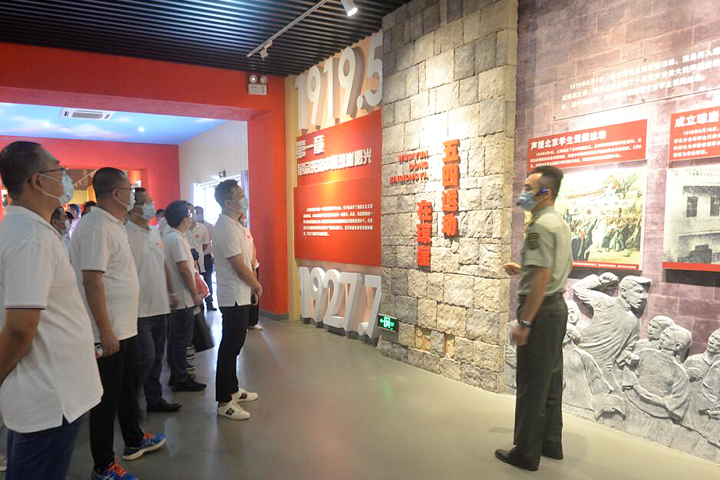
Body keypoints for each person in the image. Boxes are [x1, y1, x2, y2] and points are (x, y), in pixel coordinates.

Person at [0, 141, 103, 480]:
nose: (65, 176)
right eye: (59, 169)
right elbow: (20, 328)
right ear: (38, 181)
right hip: (49, 394)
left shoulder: (29, 229)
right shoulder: (31, 237)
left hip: (49, 390)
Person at [71, 167, 165, 480]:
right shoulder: (97, 226)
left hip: (125, 327)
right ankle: (103, 464)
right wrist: (105, 331)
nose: (133, 196)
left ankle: (134, 438)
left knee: (127, 389)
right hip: (108, 330)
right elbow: (92, 281)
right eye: (129, 190)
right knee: (106, 400)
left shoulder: (114, 224)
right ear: (116, 193)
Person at [497, 165, 572, 472]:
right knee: (551, 380)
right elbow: (550, 268)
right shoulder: (559, 222)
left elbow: (542, 277)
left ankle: (526, 453)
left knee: (531, 383)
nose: (523, 193)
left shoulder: (540, 226)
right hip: (556, 308)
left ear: (545, 193)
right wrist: (523, 269)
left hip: (540, 312)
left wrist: (525, 322)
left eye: (529, 188)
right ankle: (550, 443)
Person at [126, 188, 182, 413]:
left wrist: (172, 292)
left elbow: (163, 264)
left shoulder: (154, 231)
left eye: (151, 201)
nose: (150, 206)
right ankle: (130, 402)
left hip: (160, 306)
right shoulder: (125, 233)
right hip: (139, 309)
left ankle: (154, 399)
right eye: (145, 202)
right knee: (145, 357)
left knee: (158, 357)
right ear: (133, 206)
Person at [213, 180, 262, 420]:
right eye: (239, 194)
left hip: (241, 294)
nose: (244, 198)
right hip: (232, 296)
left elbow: (248, 259)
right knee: (229, 347)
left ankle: (233, 389)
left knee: (236, 344)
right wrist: (256, 284)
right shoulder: (225, 226)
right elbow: (238, 264)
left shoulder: (236, 225)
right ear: (228, 202)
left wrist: (251, 285)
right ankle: (224, 401)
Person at [621, 325, 692, 446]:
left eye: (667, 336)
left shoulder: (680, 372)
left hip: (656, 417)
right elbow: (629, 368)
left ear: (677, 346)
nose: (662, 337)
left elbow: (679, 398)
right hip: (632, 405)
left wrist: (659, 400)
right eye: (663, 333)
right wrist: (637, 387)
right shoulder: (644, 354)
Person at [162, 201, 206, 392]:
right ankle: (181, 377)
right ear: (183, 219)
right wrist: (194, 294)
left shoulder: (171, 236)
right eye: (189, 214)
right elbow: (183, 269)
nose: (191, 217)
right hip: (183, 296)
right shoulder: (176, 239)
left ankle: (176, 373)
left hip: (179, 297)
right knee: (181, 339)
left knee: (175, 338)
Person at [240, 211, 262, 331]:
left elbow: (253, 247)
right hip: (245, 267)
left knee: (255, 293)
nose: (245, 219)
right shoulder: (236, 233)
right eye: (243, 216)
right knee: (246, 294)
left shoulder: (247, 230)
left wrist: (253, 264)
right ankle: (245, 322)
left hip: (254, 265)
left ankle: (253, 321)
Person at [195, 206, 217, 311]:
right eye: (198, 212)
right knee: (197, 280)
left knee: (208, 280)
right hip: (195, 259)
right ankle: (199, 305)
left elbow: (210, 242)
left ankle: (209, 302)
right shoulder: (190, 227)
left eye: (201, 212)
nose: (200, 214)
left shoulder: (209, 226)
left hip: (207, 256)